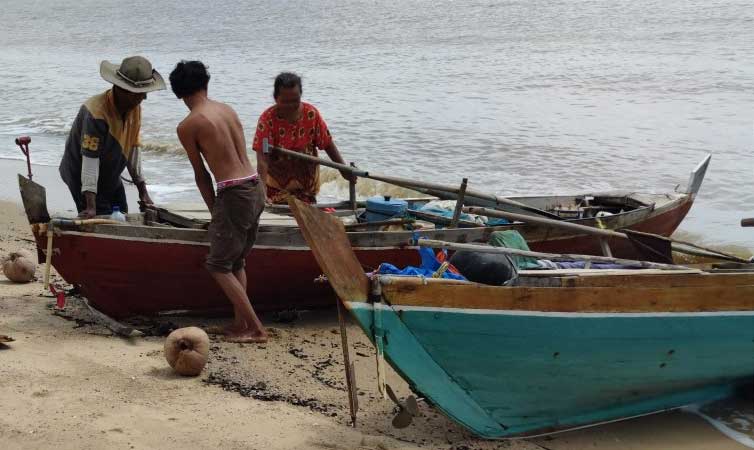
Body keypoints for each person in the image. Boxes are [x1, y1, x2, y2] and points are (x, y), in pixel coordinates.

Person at [170, 60, 268, 343]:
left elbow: (201, 174)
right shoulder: (226, 109)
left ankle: (256, 328)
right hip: (255, 185)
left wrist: (215, 210)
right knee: (237, 261)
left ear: (178, 93)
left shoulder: (189, 125)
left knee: (218, 265)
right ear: (206, 84)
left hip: (233, 191)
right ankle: (241, 324)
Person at [59, 56, 161, 218]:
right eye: (137, 94)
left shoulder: (135, 107)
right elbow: (90, 161)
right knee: (99, 217)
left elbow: (133, 149)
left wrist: (143, 191)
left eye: (144, 93)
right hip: (82, 174)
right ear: (120, 88)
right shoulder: (96, 114)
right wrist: (90, 205)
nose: (143, 98)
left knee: (122, 213)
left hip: (110, 172)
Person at [252, 72, 355, 204]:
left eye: (295, 100)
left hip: (305, 187)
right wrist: (262, 191)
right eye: (285, 101)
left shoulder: (311, 114)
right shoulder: (267, 119)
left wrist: (343, 170)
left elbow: (327, 143)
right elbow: (263, 159)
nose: (290, 106)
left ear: (300, 95)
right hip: (276, 188)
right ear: (276, 98)